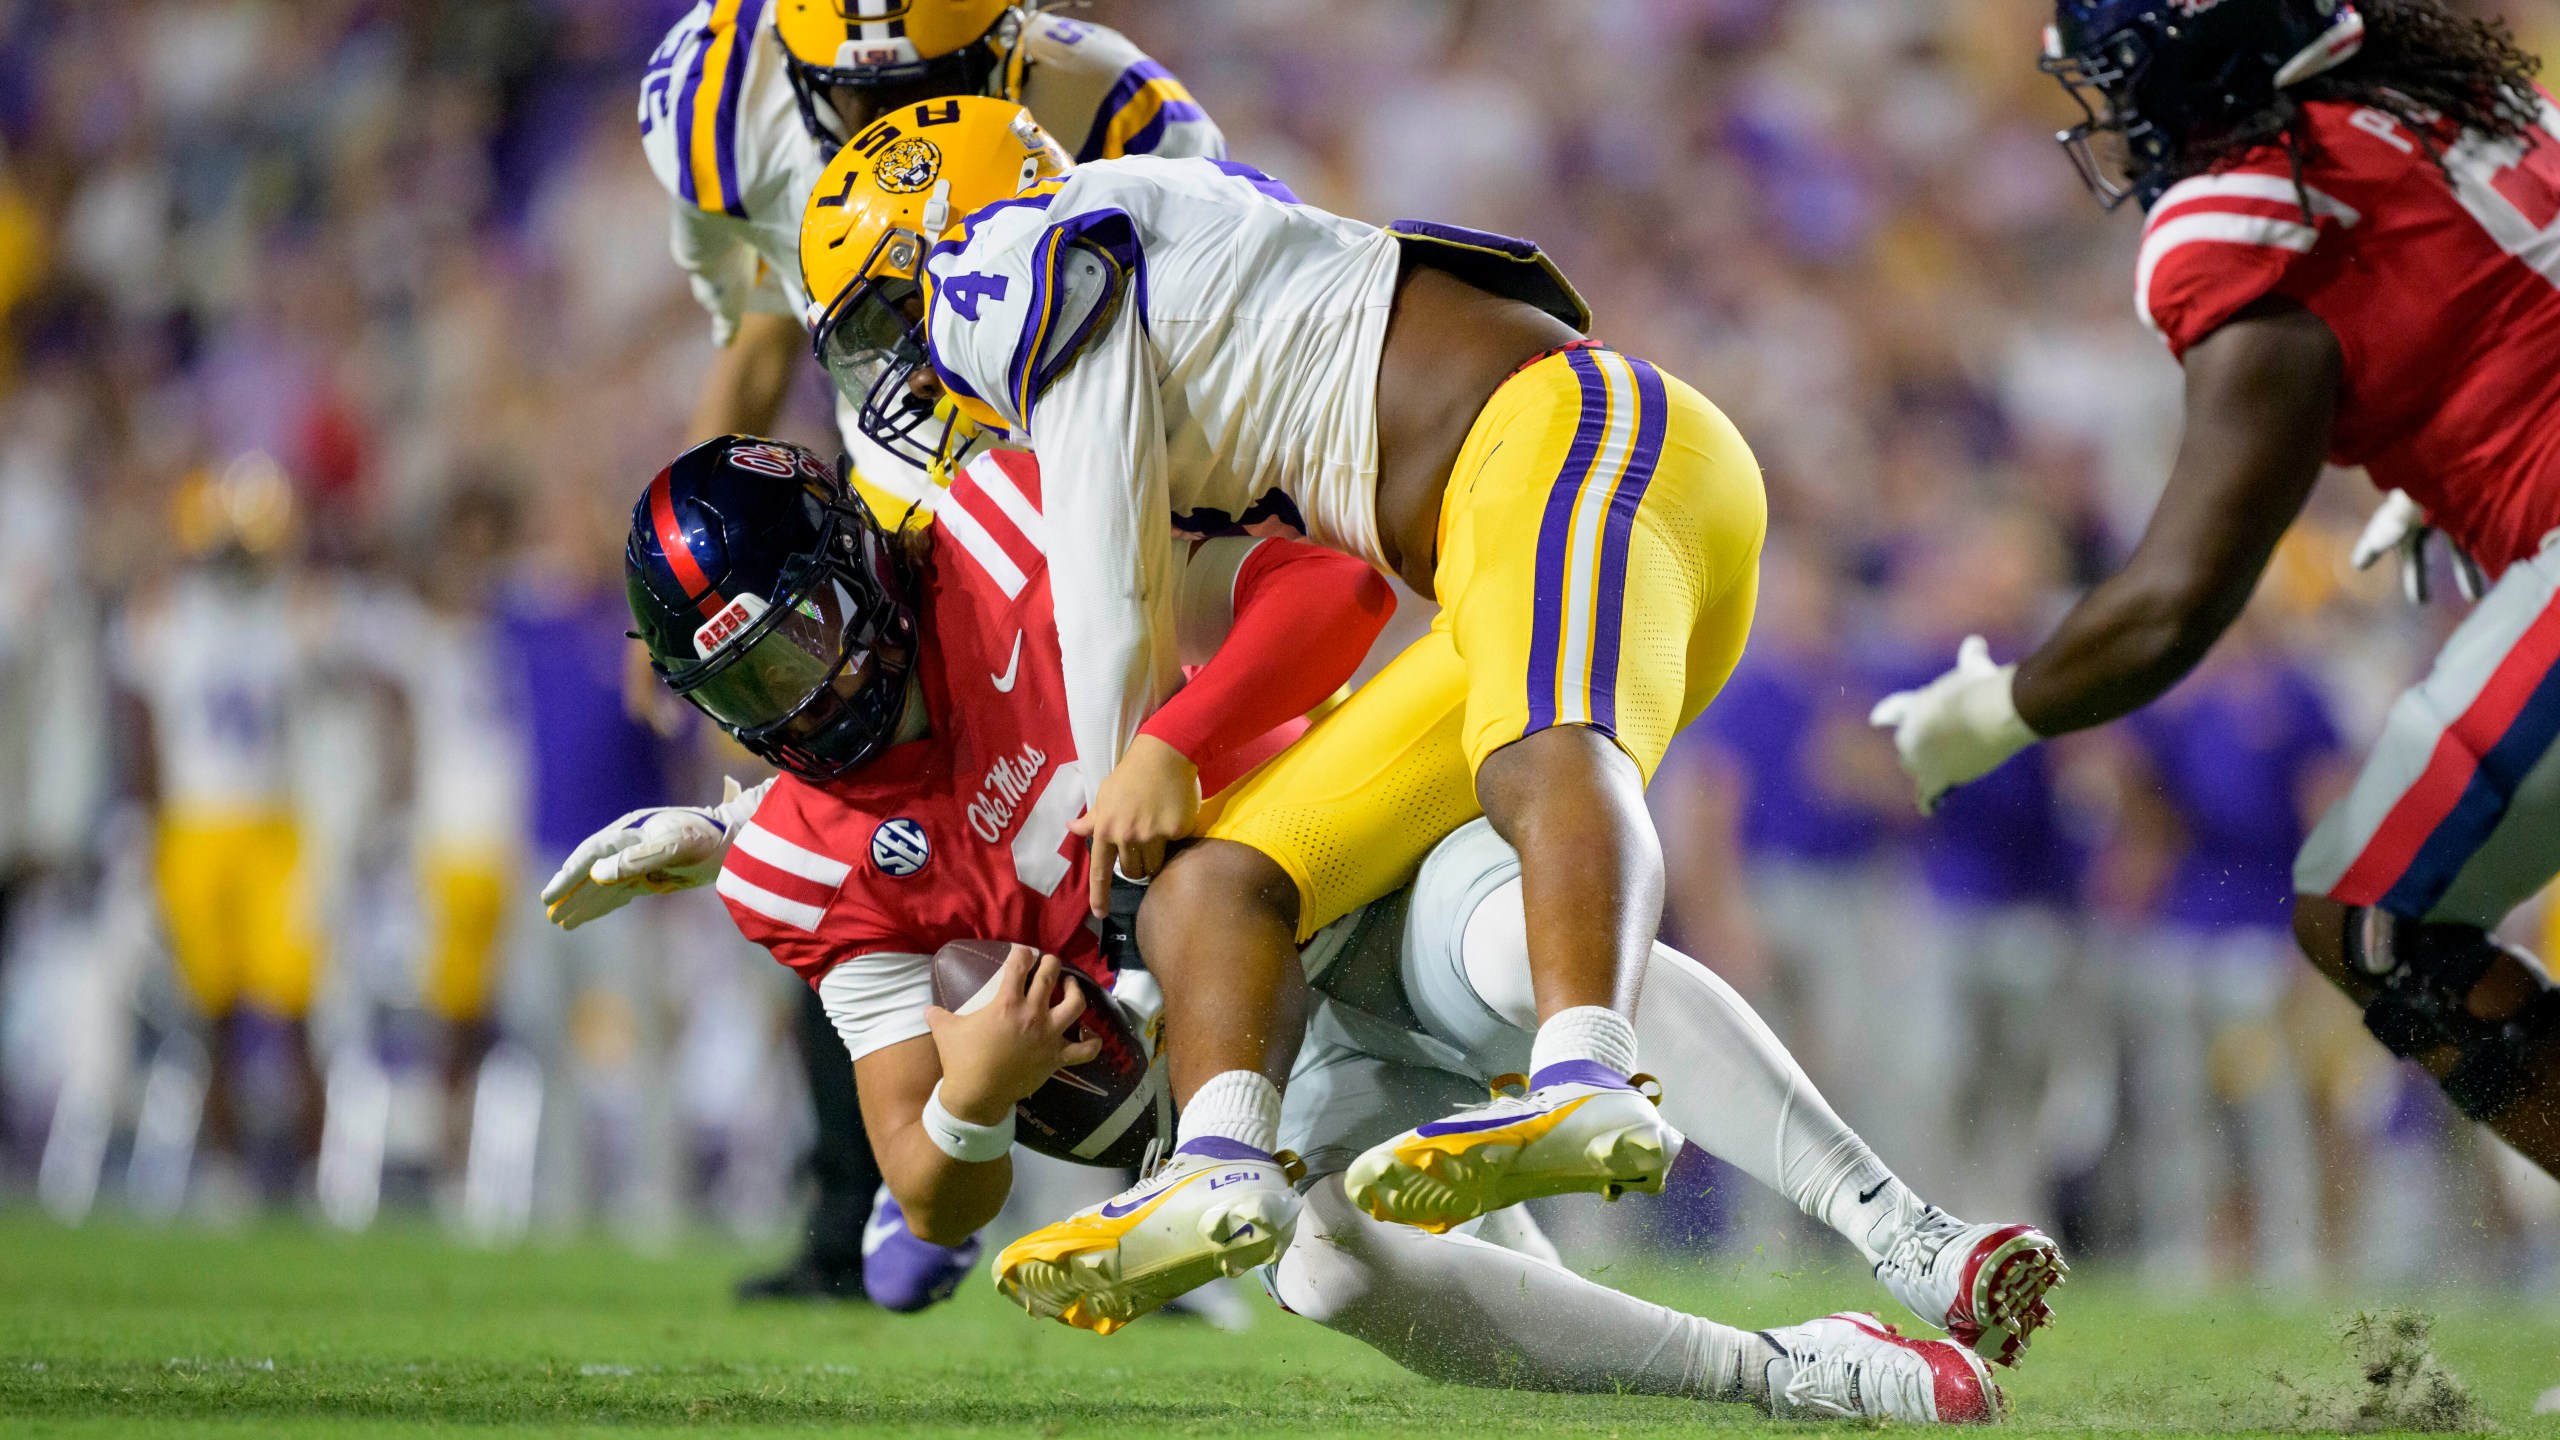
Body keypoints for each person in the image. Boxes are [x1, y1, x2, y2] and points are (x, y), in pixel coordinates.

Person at [553, 434, 2042, 1418]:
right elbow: (924, 1190)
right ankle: (1789, 1374)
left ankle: (1903, 1230)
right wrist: (977, 1094)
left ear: (859, 570)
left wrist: (1183, 734)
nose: (802, 701)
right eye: (749, 688)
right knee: (1326, 1272)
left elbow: (1323, 586)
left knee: (1544, 954)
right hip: (1239, 1061)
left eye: (804, 638)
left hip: (1350, 876)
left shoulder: (1009, 532)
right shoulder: (806, 863)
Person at [794, 95, 1774, 1326]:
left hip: (1550, 432)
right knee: (1233, 874)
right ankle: (1222, 1163)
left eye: (893, 309)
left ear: (938, 241)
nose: (907, 359)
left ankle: (1587, 1069)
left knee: (1541, 746)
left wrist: (1137, 762)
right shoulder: (1130, 241)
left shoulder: (1007, 262)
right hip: (1480, 510)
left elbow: (1107, 579)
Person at [1869, 0, 2560, 1174]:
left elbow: (2172, 602)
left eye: (2121, 77)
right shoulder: (2451, 103)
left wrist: (1988, 713)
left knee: (2370, 916)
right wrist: (2450, 464)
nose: (2119, 115)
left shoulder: (2253, 205)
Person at [637, 0, 1223, 1297]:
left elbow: (1198, 338)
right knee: (849, 840)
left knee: (1141, 810)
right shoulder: (716, 103)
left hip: (1074, 463)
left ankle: (1191, 1178)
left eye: (935, 78)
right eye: (850, 93)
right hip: (900, 502)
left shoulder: (1113, 108)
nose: (884, 114)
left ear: (1002, 45)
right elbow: (759, 331)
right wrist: (688, 574)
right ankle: (882, 1188)